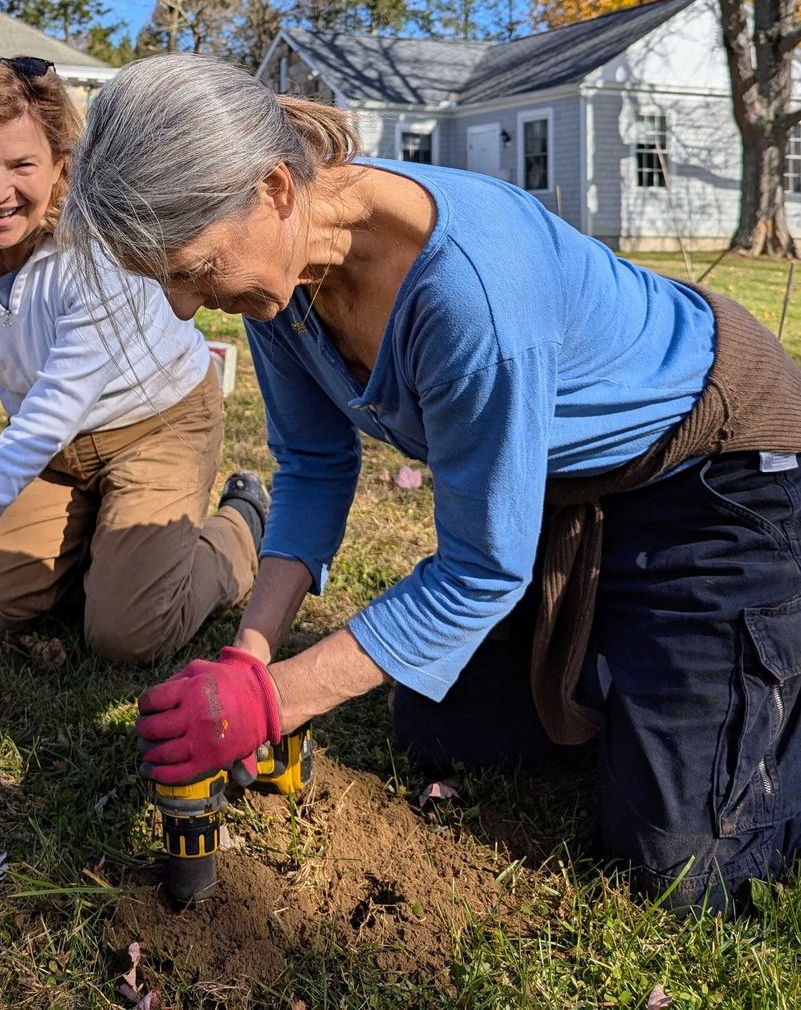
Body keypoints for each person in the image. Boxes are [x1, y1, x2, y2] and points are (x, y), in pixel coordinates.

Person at [59, 51, 801, 913]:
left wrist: (280, 702)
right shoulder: (282, 279)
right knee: (439, 727)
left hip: (719, 476)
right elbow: (313, 465)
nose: (184, 306)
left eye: (189, 270)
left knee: (682, 869)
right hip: (572, 494)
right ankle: (640, 658)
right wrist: (251, 657)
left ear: (273, 190)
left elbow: (483, 570)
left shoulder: (468, 291)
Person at [0, 56, 263, 665]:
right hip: (53, 454)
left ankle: (241, 530)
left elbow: (49, 413)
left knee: (126, 637)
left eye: (21, 165)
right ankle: (104, 552)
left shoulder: (100, 248)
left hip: (157, 423)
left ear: (61, 165)